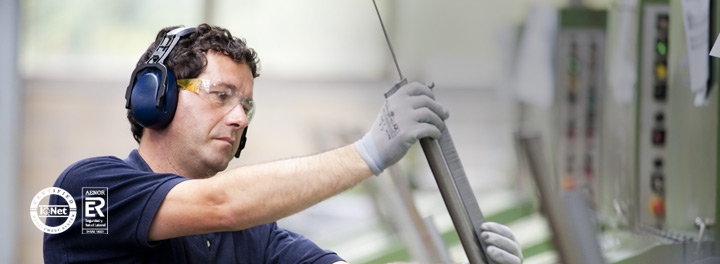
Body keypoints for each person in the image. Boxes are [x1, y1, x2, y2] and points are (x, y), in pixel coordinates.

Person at [43, 23, 523, 264]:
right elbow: (219, 204)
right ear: (156, 97)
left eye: (247, 106)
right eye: (222, 95)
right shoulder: (90, 191)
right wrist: (369, 152)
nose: (238, 117)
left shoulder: (254, 239)